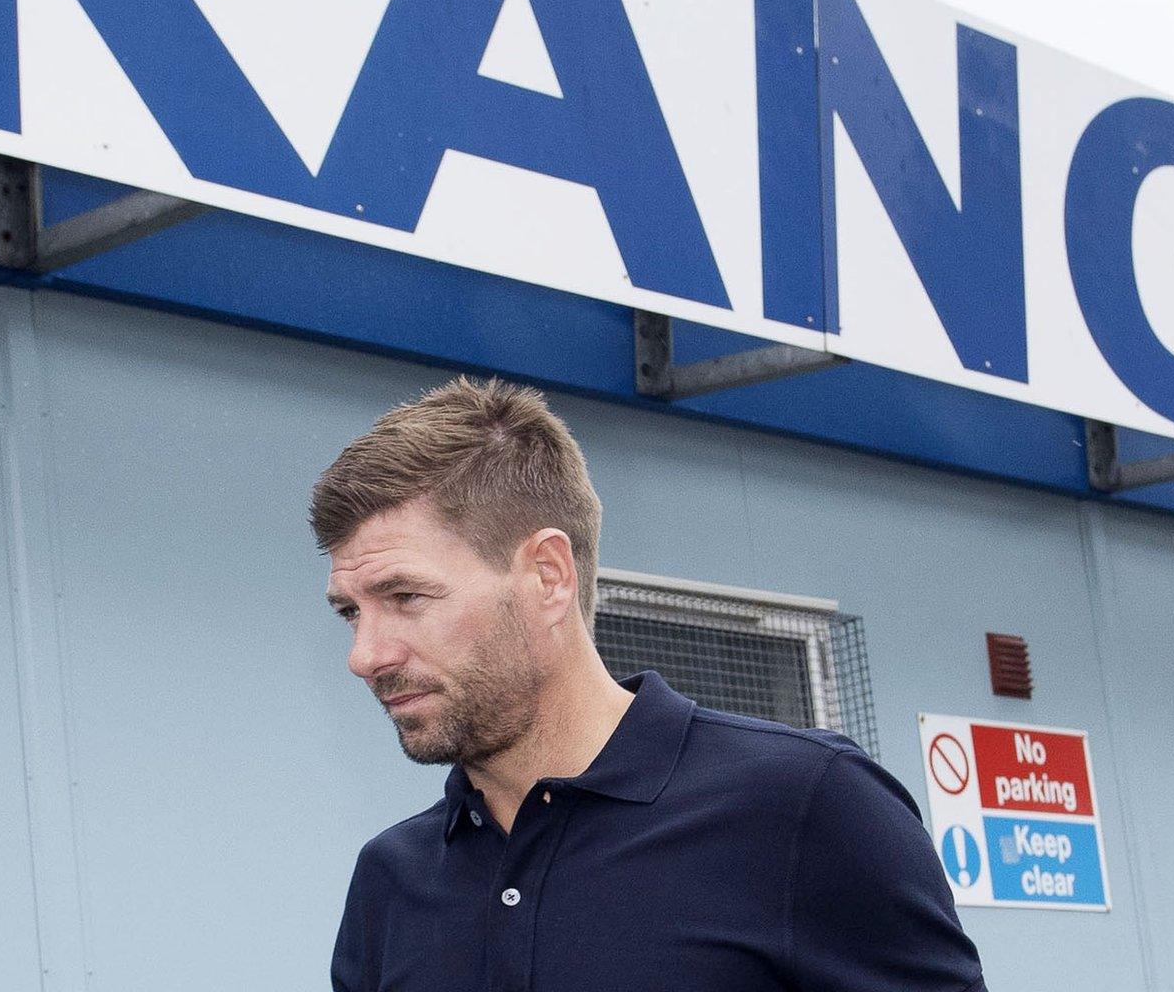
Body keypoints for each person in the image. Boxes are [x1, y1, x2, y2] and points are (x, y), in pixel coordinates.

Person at [311, 376, 988, 992]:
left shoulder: (809, 807)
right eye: (351, 611)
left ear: (548, 576)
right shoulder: (390, 881)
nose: (365, 655)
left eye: (404, 596)